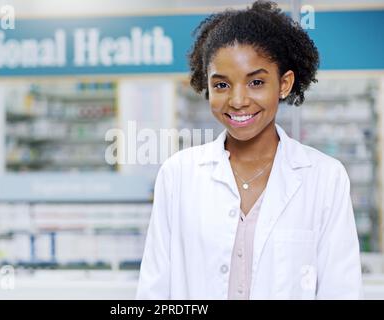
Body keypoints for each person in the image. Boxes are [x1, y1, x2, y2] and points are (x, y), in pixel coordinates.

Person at [136, 0, 362, 299]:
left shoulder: (325, 177)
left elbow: (341, 291)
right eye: (221, 85)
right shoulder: (178, 175)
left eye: (256, 82)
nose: (238, 100)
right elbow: (154, 290)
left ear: (284, 84)